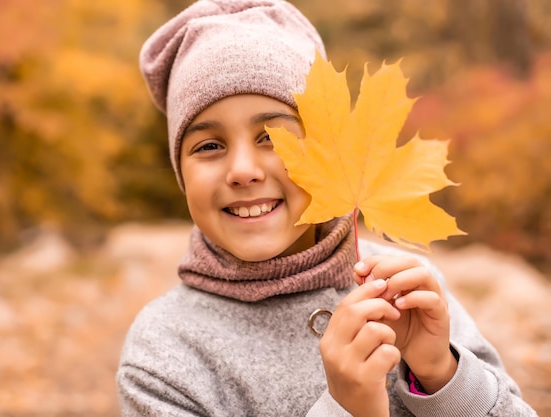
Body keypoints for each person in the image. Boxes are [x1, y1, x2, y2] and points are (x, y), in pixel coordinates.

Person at [117, 1, 537, 416]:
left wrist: (441, 373)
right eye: (209, 146)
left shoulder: (406, 290)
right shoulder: (163, 352)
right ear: (181, 173)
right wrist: (344, 409)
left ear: (328, 152)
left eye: (274, 138)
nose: (242, 171)